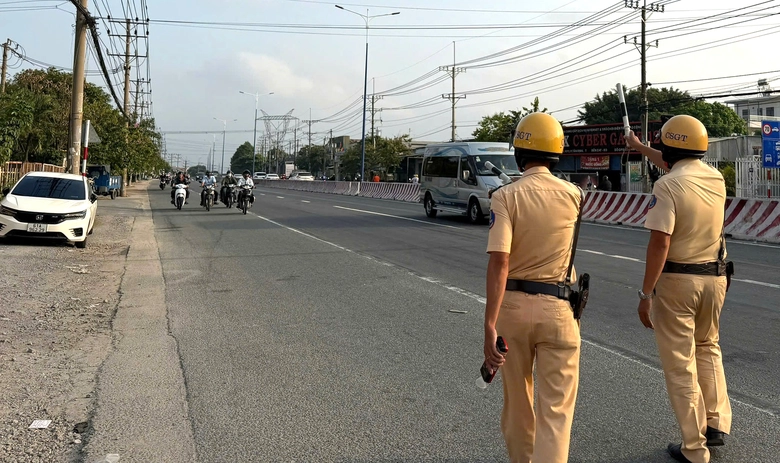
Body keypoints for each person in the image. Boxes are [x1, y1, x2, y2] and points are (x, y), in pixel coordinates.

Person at [627, 115, 732, 463]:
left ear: (670, 148)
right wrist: (641, 148)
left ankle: (694, 448)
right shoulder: (715, 178)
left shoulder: (667, 186)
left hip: (678, 283)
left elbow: (660, 243)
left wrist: (646, 294)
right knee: (708, 347)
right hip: (715, 278)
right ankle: (715, 423)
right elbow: (674, 162)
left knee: (680, 364)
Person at [483, 112, 583, 463]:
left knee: (518, 404)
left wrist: (489, 324)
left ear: (519, 152)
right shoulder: (575, 195)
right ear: (556, 153)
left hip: (512, 310)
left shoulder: (505, 196)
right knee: (556, 412)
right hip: (559, 308)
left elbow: (500, 261)